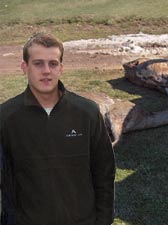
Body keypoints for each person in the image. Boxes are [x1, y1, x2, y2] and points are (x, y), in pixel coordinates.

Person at [0, 33, 116, 225]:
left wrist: (103, 220)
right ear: (24, 67)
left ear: (61, 68)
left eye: (53, 63)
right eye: (38, 63)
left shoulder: (87, 112)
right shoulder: (5, 116)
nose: (46, 71)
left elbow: (104, 171)